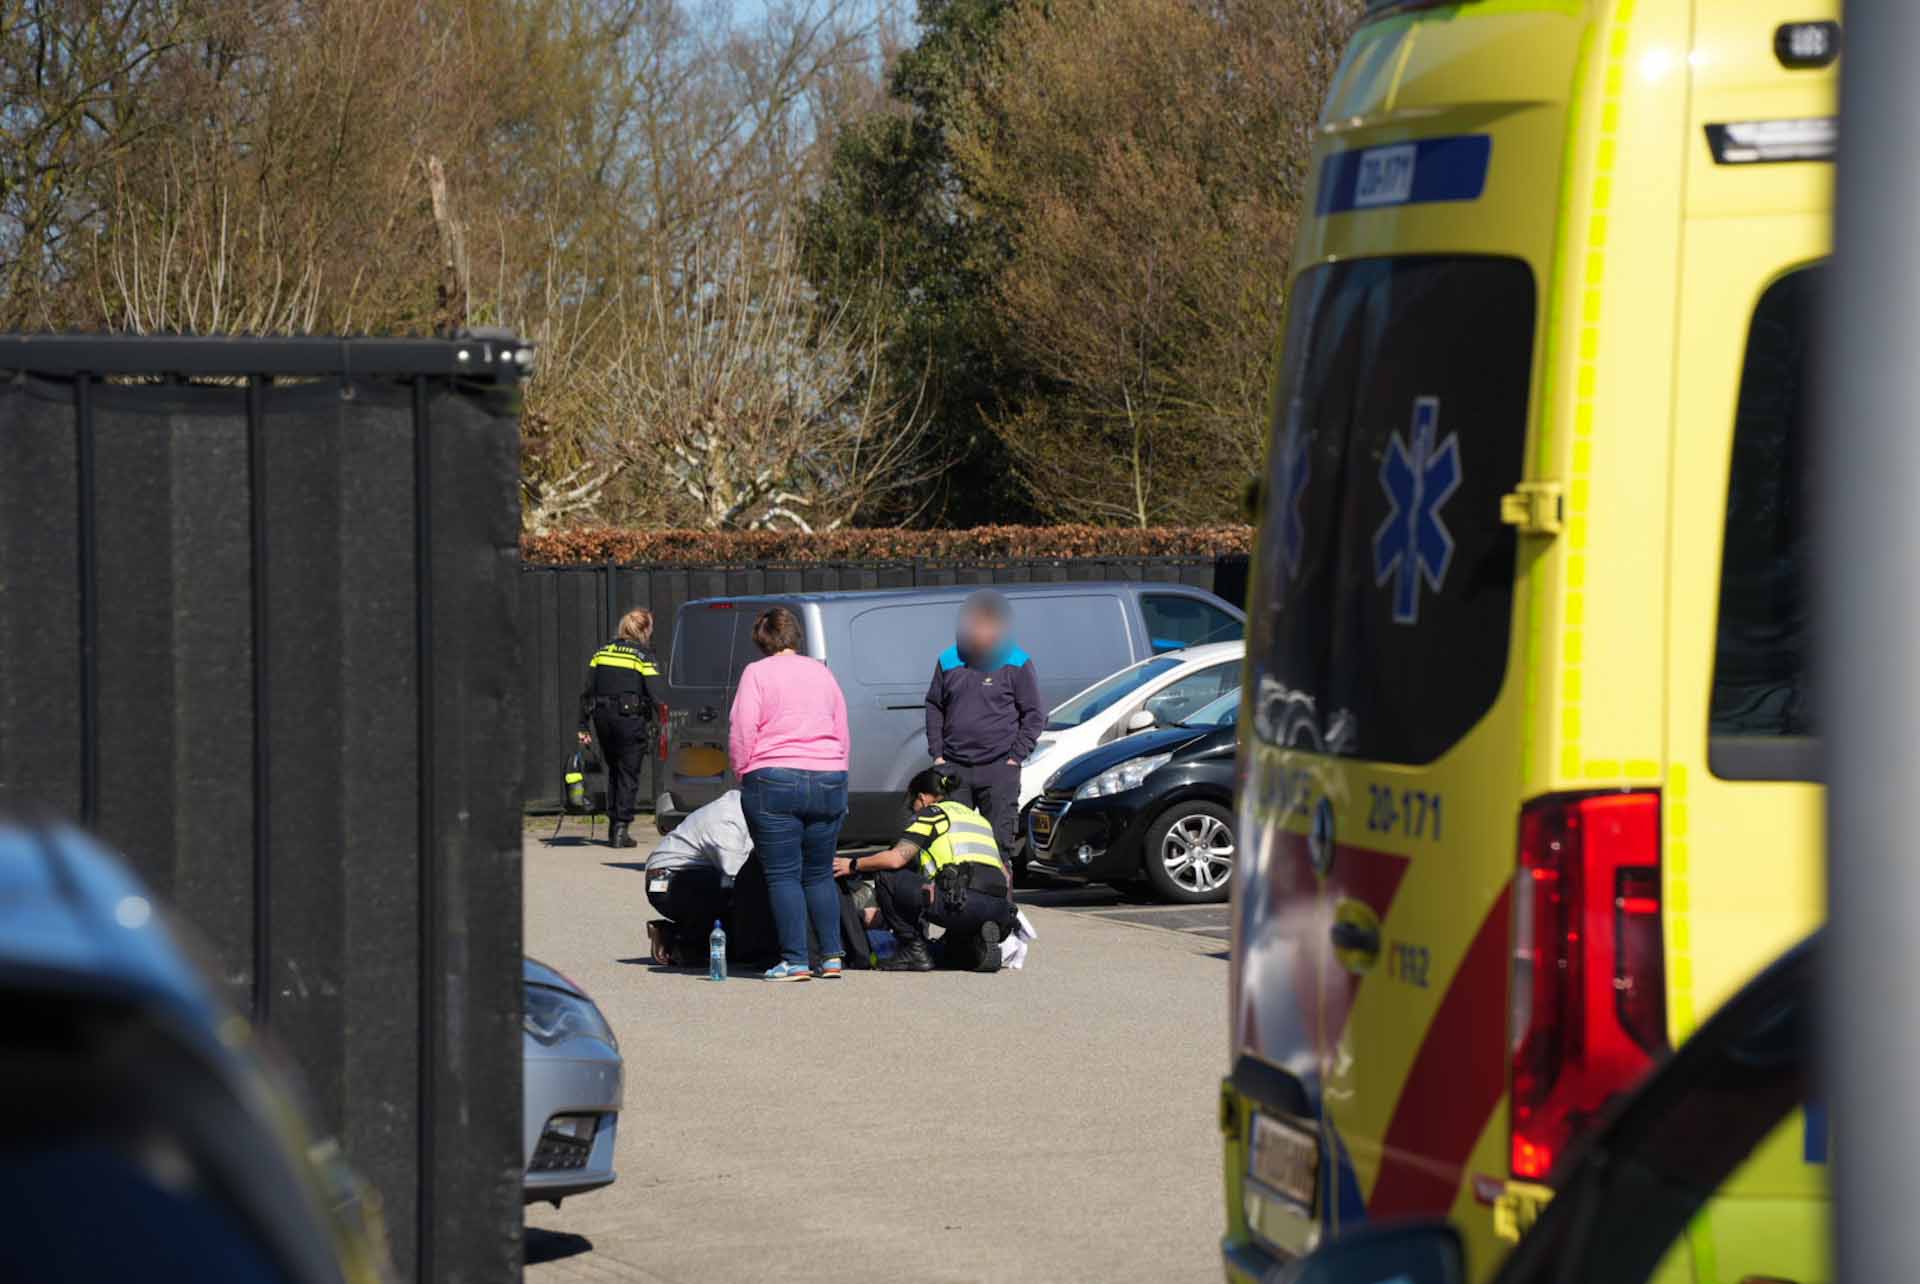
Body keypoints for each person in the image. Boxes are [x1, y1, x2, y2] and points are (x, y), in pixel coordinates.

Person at [729, 606, 852, 982]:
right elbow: (842, 729)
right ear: (795, 636)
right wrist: (839, 772)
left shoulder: (756, 673)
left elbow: (742, 728)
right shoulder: (823, 672)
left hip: (774, 776)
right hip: (830, 775)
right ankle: (832, 957)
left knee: (783, 874)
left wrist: (743, 771)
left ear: (761, 639)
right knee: (818, 873)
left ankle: (795, 959)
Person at [833, 767, 1014, 973]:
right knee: (951, 950)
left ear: (922, 798)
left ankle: (914, 950)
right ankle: (971, 943)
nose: (914, 811)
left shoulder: (931, 814)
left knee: (886, 875)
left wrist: (853, 864)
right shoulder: (978, 820)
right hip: (999, 910)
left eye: (914, 805)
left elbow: (895, 860)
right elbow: (1005, 875)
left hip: (961, 903)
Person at [924, 589, 1043, 877]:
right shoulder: (948, 660)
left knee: (999, 847)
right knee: (956, 845)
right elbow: (934, 705)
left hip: (999, 769)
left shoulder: (1016, 661)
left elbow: (1035, 714)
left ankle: (1001, 914)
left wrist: (1015, 756)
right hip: (955, 769)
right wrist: (938, 755)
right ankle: (963, 915)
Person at [578, 607, 661, 850]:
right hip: (629, 720)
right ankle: (620, 830)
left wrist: (582, 725)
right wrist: (668, 719)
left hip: (602, 719)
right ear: (644, 630)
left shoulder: (602, 652)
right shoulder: (642, 655)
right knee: (628, 774)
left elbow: (587, 691)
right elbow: (657, 694)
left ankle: (614, 825)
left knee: (614, 770)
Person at [643, 789, 753, 965]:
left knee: (737, 948)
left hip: (691, 874)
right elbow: (736, 875)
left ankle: (679, 934)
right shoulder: (726, 820)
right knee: (736, 892)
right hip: (664, 880)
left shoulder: (745, 806)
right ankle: (681, 941)